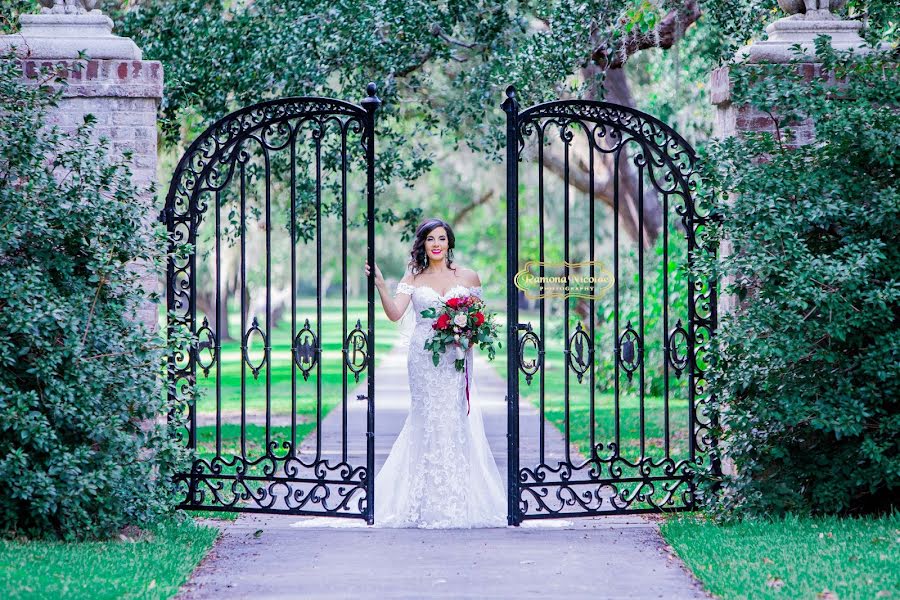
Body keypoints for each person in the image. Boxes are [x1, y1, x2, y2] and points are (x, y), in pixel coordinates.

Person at [364, 218, 508, 528]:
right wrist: (380, 284)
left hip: (455, 357)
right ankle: (421, 498)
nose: (436, 244)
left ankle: (456, 497)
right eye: (430, 239)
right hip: (422, 357)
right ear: (423, 245)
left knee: (453, 418)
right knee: (427, 418)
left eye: (441, 238)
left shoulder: (468, 277)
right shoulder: (413, 278)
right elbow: (394, 314)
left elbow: (479, 318)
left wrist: (467, 333)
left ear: (449, 242)